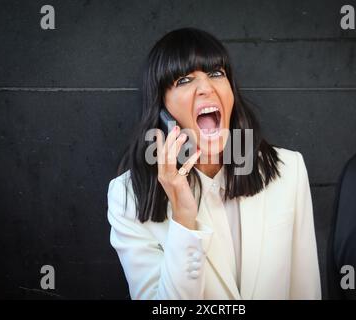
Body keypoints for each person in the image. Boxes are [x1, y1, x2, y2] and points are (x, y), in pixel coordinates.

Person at [107, 27, 321, 300]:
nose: (206, 88)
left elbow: (306, 290)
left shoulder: (289, 170)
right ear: (163, 110)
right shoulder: (127, 197)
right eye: (184, 80)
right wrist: (184, 217)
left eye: (216, 74)